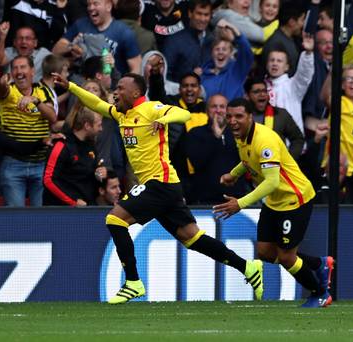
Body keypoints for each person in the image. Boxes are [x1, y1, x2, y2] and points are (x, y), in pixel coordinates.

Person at [53, 72, 264, 304]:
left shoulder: (152, 108)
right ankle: (248, 266)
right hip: (166, 187)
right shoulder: (122, 114)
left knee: (115, 219)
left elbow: (183, 114)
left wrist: (163, 119)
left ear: (135, 92)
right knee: (192, 238)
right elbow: (96, 103)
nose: (116, 91)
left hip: (159, 183)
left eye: (121, 88)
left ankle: (133, 281)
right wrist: (71, 86)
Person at [214, 98, 333, 308]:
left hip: (294, 200)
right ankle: (319, 264)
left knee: (287, 257)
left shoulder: (264, 139)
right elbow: (248, 160)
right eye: (229, 116)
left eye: (238, 116)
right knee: (266, 253)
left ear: (250, 117)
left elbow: (272, 180)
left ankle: (320, 293)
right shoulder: (241, 135)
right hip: (274, 201)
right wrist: (233, 174)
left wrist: (240, 204)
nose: (232, 121)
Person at [0, 56, 57, 207]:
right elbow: (1, 92)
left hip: (40, 163)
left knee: (41, 218)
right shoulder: (8, 90)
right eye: (15, 68)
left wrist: (36, 101)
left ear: (32, 71)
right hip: (13, 164)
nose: (19, 72)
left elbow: (52, 117)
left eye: (23, 67)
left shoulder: (43, 91)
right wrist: (2, 84)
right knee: (16, 218)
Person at [52, 0, 142, 74]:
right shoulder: (80, 25)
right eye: (89, 4)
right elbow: (55, 50)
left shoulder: (123, 32)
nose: (91, 8)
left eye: (95, 4)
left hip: (111, 88)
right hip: (82, 85)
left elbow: (136, 68)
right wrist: (72, 46)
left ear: (108, 7)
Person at [184, 94, 245, 204]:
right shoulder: (195, 133)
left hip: (236, 198)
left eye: (222, 107)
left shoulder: (239, 133)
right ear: (207, 111)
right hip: (204, 200)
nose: (218, 110)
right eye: (214, 107)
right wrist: (216, 138)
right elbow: (197, 163)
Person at [321, 65, 353, 203]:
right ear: (342, 85)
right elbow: (325, 96)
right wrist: (332, 72)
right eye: (348, 79)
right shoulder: (340, 103)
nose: (352, 82)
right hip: (336, 170)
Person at [43, 107, 105, 206]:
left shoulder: (91, 144)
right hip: (61, 209)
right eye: (99, 125)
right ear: (87, 126)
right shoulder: (61, 145)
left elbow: (95, 170)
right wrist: (73, 201)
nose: (101, 129)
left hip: (87, 206)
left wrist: (101, 173)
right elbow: (48, 180)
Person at [265, 33, 315, 134]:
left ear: (287, 66)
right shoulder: (260, 87)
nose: (275, 63)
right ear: (267, 64)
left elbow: (304, 75)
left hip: (290, 144)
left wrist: (308, 53)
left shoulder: (293, 86)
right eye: (272, 60)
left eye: (279, 61)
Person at [245, 77, 304, 160]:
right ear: (247, 96)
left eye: (264, 91)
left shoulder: (281, 115)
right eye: (256, 92)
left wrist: (288, 160)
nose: (262, 94)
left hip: (277, 168)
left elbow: (298, 139)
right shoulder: (241, 117)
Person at [200, 20, 253, 102]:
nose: (220, 52)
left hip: (232, 114)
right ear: (211, 53)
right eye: (217, 49)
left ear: (231, 53)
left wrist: (234, 30)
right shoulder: (203, 75)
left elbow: (247, 53)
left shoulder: (237, 71)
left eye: (224, 49)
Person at [161, 0, 213, 83]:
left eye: (206, 15)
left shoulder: (214, 40)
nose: (202, 19)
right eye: (199, 14)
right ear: (190, 13)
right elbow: (166, 74)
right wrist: (189, 77)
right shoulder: (174, 40)